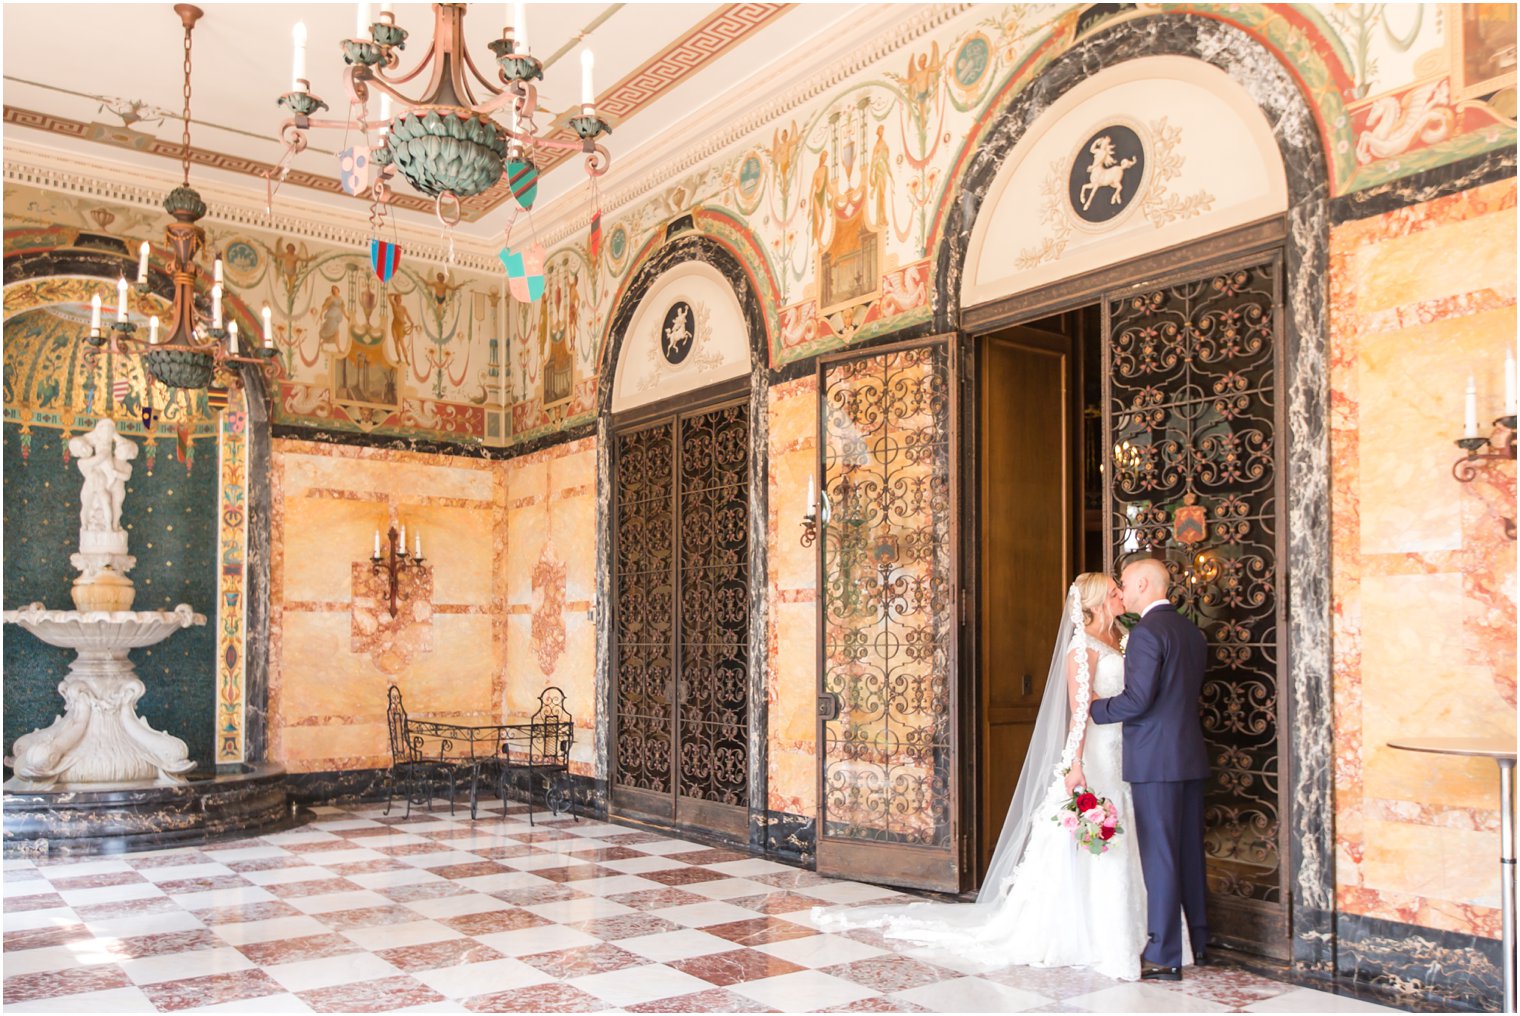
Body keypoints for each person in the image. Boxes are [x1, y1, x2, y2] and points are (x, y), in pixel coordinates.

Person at [814, 571, 1174, 981]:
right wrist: (1075, 764)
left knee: (1129, 833)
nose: (1120, 596)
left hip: (1126, 750)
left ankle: (1140, 929)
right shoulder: (1082, 647)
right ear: (1094, 604)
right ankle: (1086, 934)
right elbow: (1078, 711)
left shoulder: (1122, 638)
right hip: (1094, 752)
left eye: (1119, 590)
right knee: (1095, 839)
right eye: (1113, 593)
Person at [1089, 557, 1211, 980]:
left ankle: (1162, 952)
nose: (1122, 591)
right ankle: (1198, 936)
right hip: (1189, 756)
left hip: (1155, 759)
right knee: (1189, 851)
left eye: (1125, 583)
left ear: (1143, 583)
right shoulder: (1190, 630)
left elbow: (1137, 701)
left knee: (1159, 854)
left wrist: (1094, 709)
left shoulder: (1146, 633)